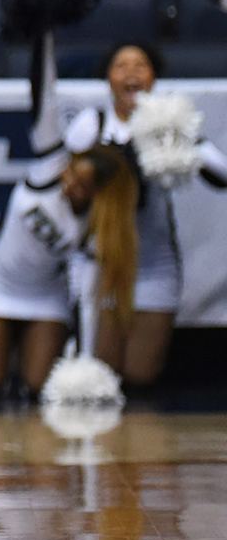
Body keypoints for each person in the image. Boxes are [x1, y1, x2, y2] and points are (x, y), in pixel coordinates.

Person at [0, 31, 137, 401]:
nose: (67, 182)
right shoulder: (50, 169)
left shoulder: (96, 226)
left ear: (97, 196)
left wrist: (88, 368)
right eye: (71, 173)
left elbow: (90, 299)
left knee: (39, 386)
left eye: (78, 185)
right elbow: (43, 97)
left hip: (45, 296)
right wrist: (42, 32)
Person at [64, 39, 227, 388]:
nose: (131, 74)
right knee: (102, 373)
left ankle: (138, 439)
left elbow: (222, 175)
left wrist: (184, 143)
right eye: (121, 66)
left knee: (141, 375)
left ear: (154, 78)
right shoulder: (91, 124)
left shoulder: (170, 126)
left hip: (155, 264)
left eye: (140, 66)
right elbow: (71, 194)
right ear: (108, 78)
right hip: (103, 261)